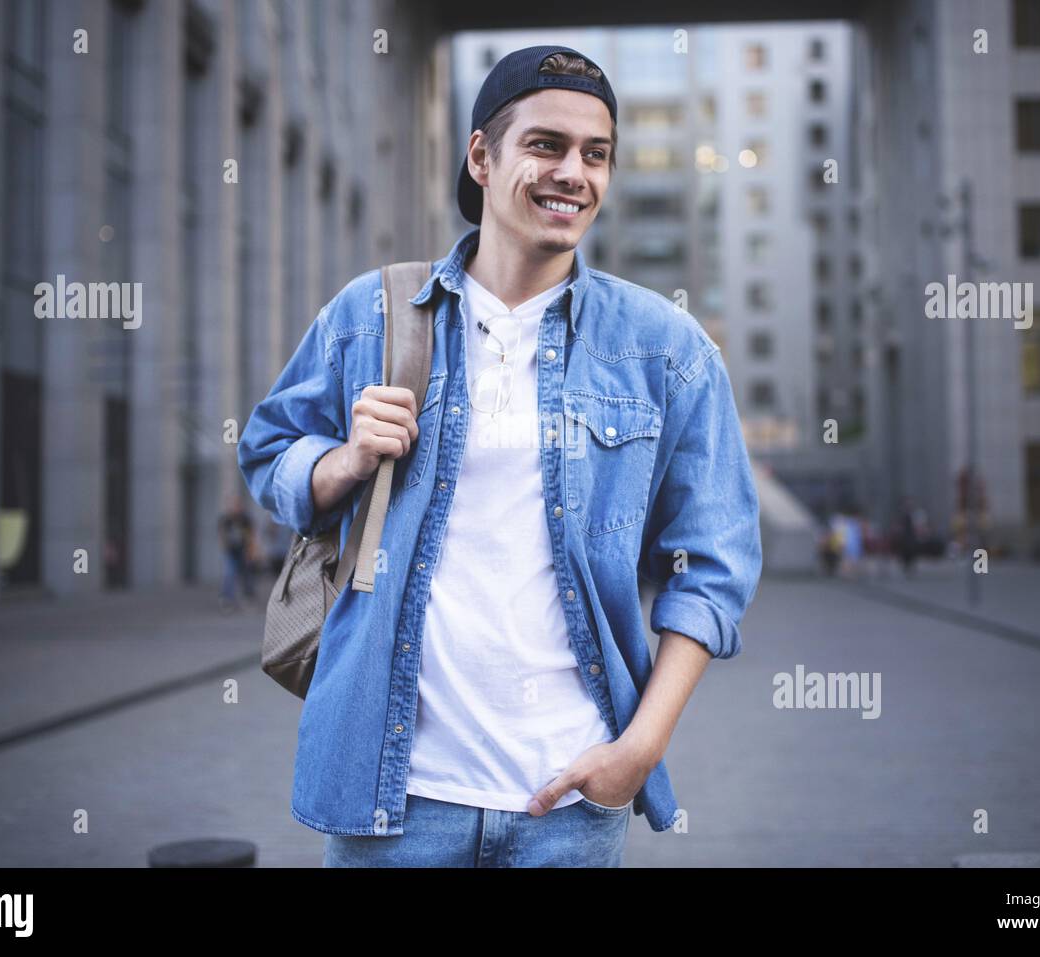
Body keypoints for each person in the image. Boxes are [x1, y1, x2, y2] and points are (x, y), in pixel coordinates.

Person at [238, 46, 761, 867]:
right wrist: (341, 462)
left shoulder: (666, 351)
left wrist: (640, 749)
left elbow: (715, 564)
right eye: (546, 145)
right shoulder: (370, 317)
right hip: (396, 799)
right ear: (482, 156)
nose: (573, 173)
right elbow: (265, 449)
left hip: (571, 801)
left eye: (596, 154)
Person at [217, 494, 255, 611]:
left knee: (246, 575)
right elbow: (221, 535)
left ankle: (248, 597)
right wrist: (224, 546)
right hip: (231, 551)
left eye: (238, 505)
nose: (236, 508)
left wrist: (250, 550)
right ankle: (226, 598)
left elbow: (250, 536)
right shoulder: (225, 519)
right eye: (234, 505)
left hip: (242, 550)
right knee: (229, 573)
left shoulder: (245, 519)